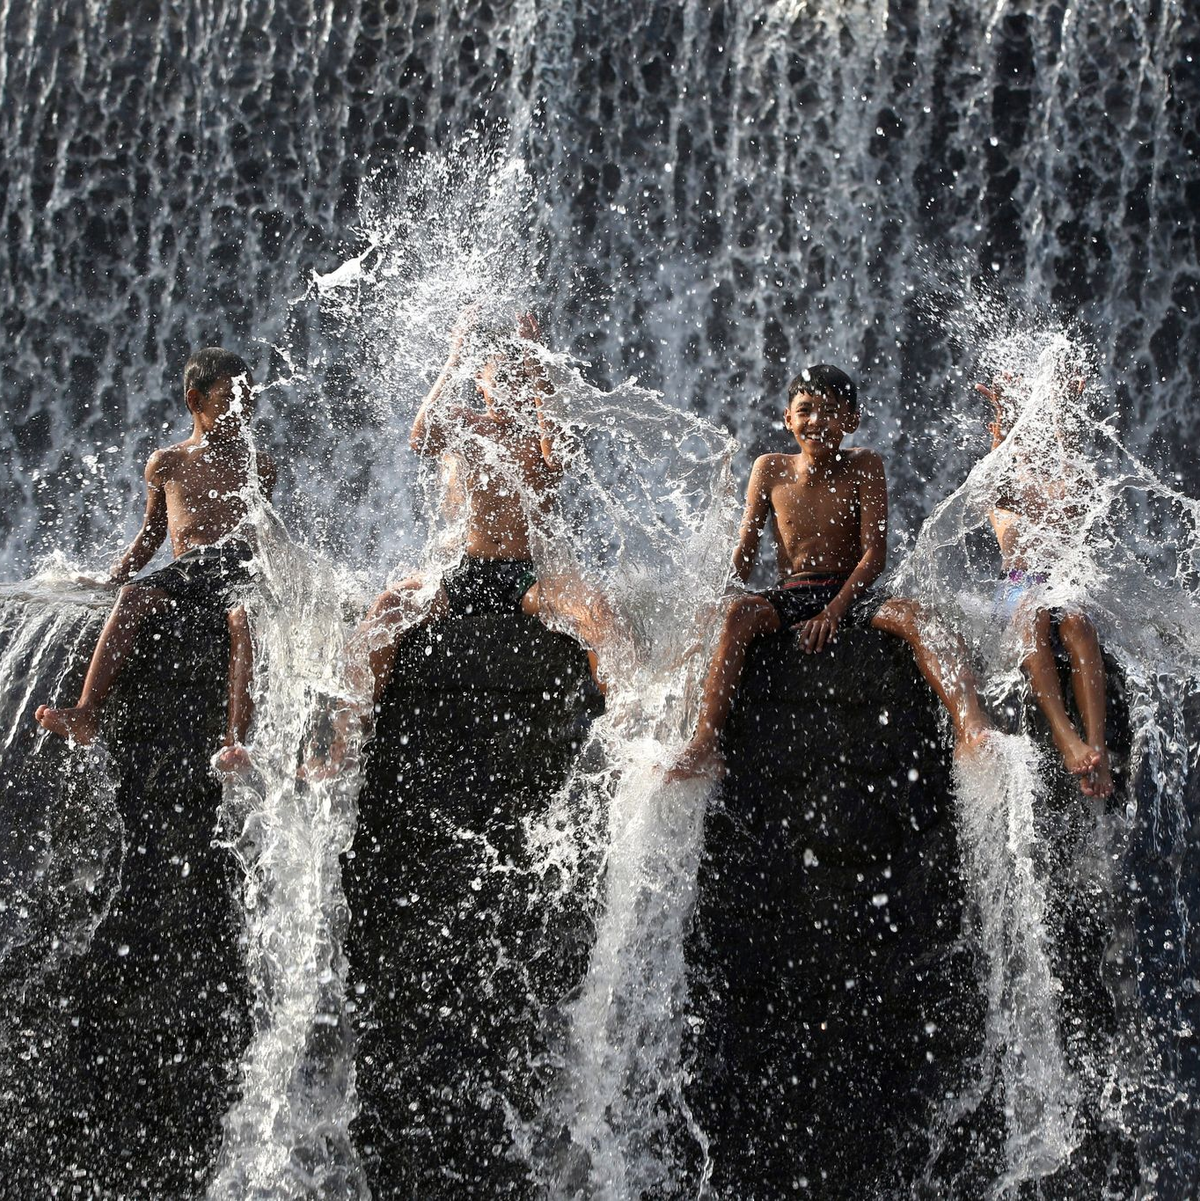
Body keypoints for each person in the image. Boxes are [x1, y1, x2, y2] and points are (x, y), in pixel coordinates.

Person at [669, 364, 992, 781]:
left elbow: (874, 555)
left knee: (917, 618)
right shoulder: (769, 469)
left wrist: (834, 612)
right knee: (736, 616)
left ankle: (972, 726)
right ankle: (705, 742)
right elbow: (744, 555)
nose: (816, 421)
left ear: (851, 420)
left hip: (850, 591)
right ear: (788, 418)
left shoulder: (864, 466)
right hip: (792, 591)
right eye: (805, 410)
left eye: (829, 411)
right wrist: (718, 601)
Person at [331, 311, 611, 756]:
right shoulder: (469, 426)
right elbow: (420, 438)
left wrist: (536, 364)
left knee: (594, 607)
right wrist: (455, 355)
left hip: (525, 578)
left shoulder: (538, 439)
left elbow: (559, 454)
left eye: (513, 380)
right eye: (494, 380)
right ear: (479, 383)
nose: (504, 390)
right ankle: (347, 736)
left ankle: (625, 716)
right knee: (388, 606)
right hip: (468, 573)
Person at [35, 348, 276, 773]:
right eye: (229, 402)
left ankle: (236, 743)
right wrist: (111, 581)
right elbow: (150, 537)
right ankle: (87, 712)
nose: (241, 413)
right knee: (133, 596)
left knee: (244, 616)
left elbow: (264, 535)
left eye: (247, 402)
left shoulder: (260, 466)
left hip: (237, 566)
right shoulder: (168, 463)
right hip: (188, 571)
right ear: (195, 401)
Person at [978, 374, 1113, 797]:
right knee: (1034, 612)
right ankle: (1063, 735)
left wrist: (1063, 412)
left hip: (1063, 586)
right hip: (1019, 591)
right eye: (1020, 438)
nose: (1030, 447)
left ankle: (1099, 748)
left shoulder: (1061, 486)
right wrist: (1002, 424)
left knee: (1077, 623)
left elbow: (1072, 487)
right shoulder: (1002, 495)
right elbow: (995, 479)